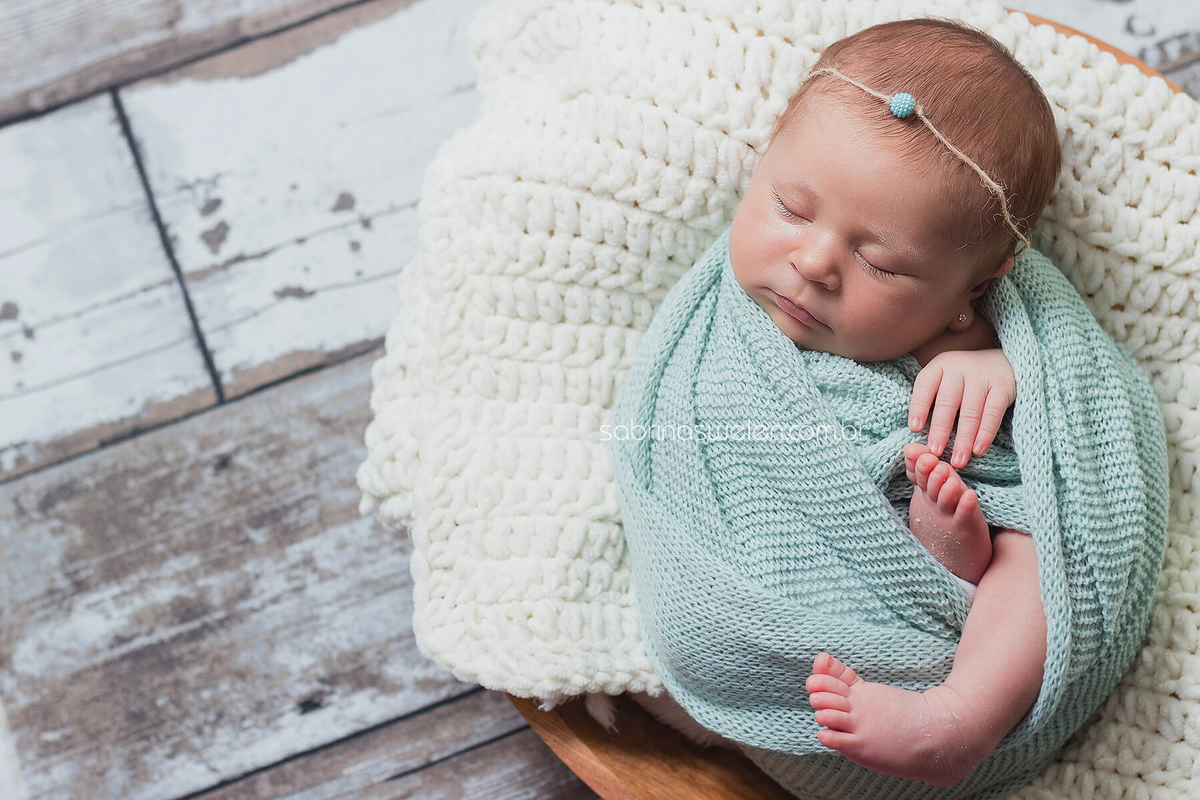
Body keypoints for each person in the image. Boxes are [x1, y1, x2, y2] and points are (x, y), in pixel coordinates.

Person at [635, 17, 1062, 787]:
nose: (813, 262)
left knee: (1041, 558)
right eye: (791, 208)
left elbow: (1071, 454)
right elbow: (665, 438)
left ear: (972, 288)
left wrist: (1009, 368)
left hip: (943, 626)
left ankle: (957, 717)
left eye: (880, 262)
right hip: (768, 594)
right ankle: (939, 555)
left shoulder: (966, 336)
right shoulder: (717, 326)